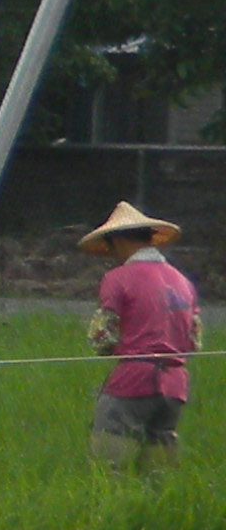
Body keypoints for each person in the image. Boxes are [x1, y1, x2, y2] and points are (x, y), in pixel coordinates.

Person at [84, 200, 198, 471]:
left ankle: (111, 498)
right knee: (158, 466)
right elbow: (194, 340)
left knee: (108, 461)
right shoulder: (183, 281)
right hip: (175, 384)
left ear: (118, 241)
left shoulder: (118, 278)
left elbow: (102, 337)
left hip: (133, 380)